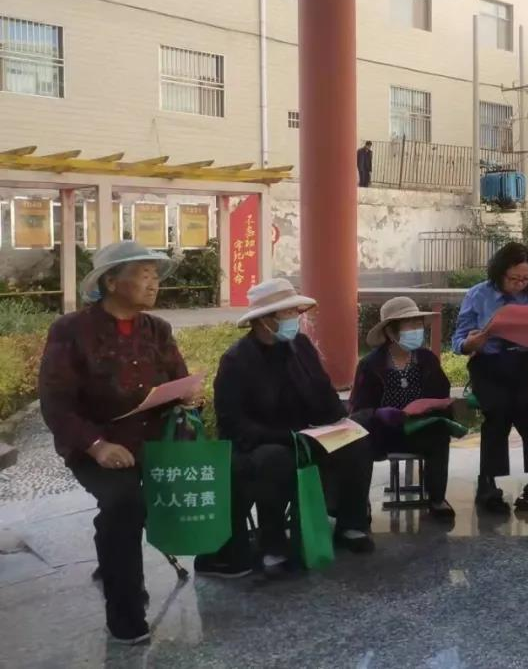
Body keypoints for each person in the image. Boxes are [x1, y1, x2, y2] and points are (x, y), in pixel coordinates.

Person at [39, 242, 241, 645]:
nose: (153, 283)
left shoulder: (158, 329)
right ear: (112, 282)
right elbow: (56, 404)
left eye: (154, 275)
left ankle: (219, 555)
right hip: (99, 445)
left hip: (157, 441)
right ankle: (126, 612)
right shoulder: (71, 331)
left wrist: (189, 397)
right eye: (143, 274)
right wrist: (96, 445)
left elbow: (178, 380)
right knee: (123, 503)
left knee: (227, 470)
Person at [213, 278, 376, 575]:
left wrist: (340, 423)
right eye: (286, 313)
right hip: (259, 445)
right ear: (264, 320)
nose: (294, 319)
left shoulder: (300, 347)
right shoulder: (236, 360)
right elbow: (233, 423)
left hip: (306, 436)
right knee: (275, 459)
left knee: (356, 441)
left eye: (295, 313)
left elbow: (323, 393)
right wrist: (287, 437)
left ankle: (351, 525)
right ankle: (272, 544)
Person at [453, 242, 528, 514]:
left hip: (527, 363)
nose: (520, 284)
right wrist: (472, 342)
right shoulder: (478, 294)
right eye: (513, 279)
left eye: (525, 279)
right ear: (499, 273)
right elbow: (458, 341)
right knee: (497, 411)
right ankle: (488, 483)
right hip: (489, 364)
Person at [349, 296, 456, 519]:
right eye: (410, 325)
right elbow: (358, 411)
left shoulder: (427, 359)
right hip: (381, 432)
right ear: (391, 332)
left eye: (418, 324)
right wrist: (381, 415)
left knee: (439, 433)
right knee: (359, 443)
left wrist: (433, 407)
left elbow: (442, 394)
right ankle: (359, 503)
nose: (416, 330)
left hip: (418, 428)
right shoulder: (371, 365)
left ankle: (437, 498)